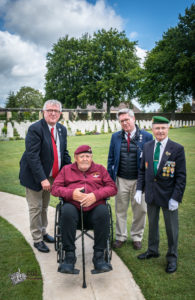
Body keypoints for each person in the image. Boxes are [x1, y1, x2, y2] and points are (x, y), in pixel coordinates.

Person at [51, 145, 117, 274]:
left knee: (103, 212)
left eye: (88, 156)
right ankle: (69, 257)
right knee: (67, 211)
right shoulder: (66, 170)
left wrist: (95, 195)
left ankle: (99, 257)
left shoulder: (100, 169)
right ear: (76, 158)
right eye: (82, 156)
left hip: (95, 209)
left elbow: (112, 188)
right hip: (73, 209)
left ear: (91, 157)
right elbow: (55, 189)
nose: (85, 159)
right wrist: (71, 194)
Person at [135, 116, 186, 273]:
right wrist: (139, 189)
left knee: (171, 228)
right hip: (151, 193)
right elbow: (143, 170)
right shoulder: (147, 146)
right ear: (152, 129)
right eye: (157, 128)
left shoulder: (177, 148)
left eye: (163, 128)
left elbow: (181, 176)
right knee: (153, 224)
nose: (160, 131)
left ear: (168, 129)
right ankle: (152, 250)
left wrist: (176, 198)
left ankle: (172, 257)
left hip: (169, 195)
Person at [19, 99, 71, 253]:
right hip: (35, 176)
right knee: (35, 208)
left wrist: (69, 172)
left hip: (51, 176)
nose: (53, 113)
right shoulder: (35, 129)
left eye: (56, 111)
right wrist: (42, 179)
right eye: (49, 110)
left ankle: (43, 232)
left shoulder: (61, 129)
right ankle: (37, 239)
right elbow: (32, 156)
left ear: (60, 113)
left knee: (44, 206)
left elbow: (63, 153)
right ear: (43, 112)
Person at [107, 108, 153, 250]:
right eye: (122, 121)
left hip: (139, 181)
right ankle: (121, 236)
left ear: (133, 119)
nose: (125, 123)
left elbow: (150, 161)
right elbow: (111, 158)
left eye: (127, 119)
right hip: (121, 179)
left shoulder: (147, 136)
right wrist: (110, 180)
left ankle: (137, 237)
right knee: (120, 209)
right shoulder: (115, 137)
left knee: (140, 210)